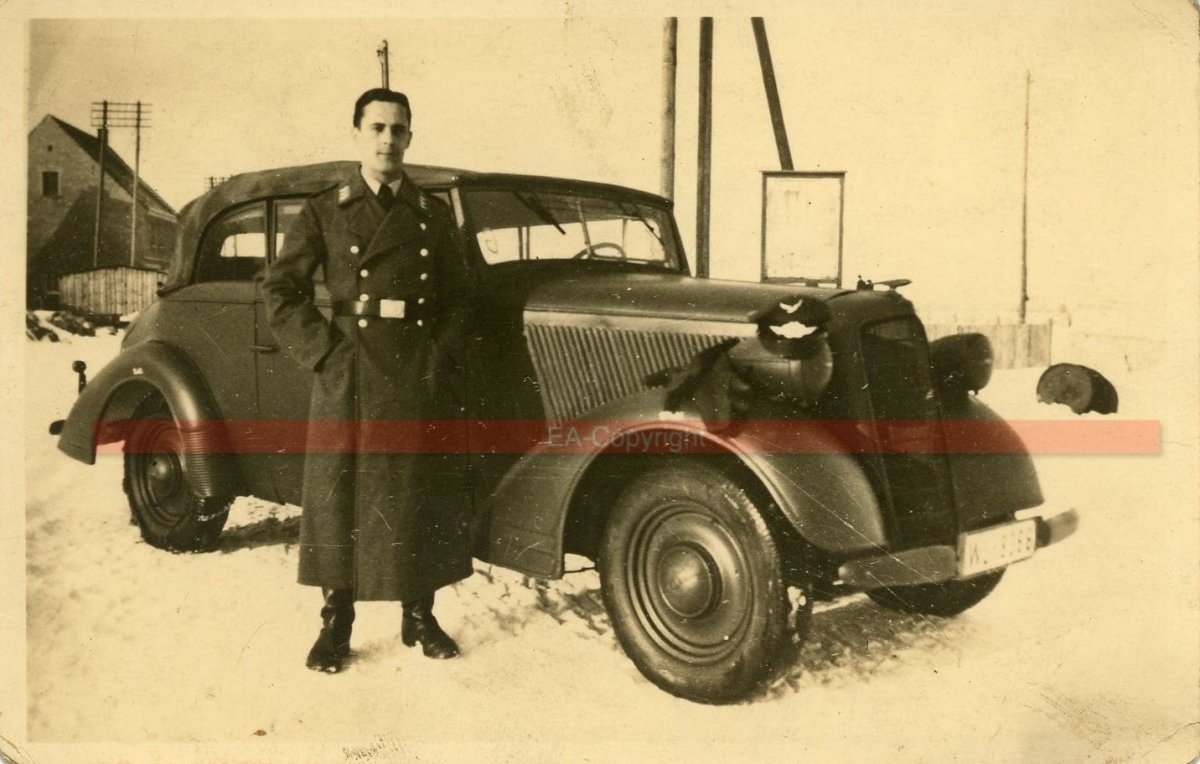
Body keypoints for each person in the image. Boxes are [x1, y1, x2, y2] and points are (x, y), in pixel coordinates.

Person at [261, 88, 476, 672]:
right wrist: (327, 354)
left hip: (415, 370)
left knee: (417, 490)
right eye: (377, 127)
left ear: (410, 137)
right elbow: (280, 290)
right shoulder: (326, 210)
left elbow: (460, 298)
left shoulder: (432, 213)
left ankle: (419, 615)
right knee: (341, 497)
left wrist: (438, 358)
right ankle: (337, 622)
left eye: (398, 129)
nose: (388, 140)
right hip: (351, 370)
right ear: (356, 133)